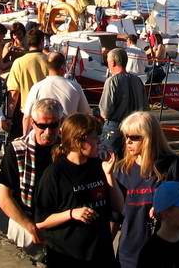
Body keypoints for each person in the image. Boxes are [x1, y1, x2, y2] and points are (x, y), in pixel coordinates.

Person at [33, 112, 123, 268]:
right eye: (94, 137)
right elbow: (40, 222)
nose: (99, 141)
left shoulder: (98, 165)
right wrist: (71, 213)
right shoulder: (55, 173)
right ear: (78, 141)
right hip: (69, 258)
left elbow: (119, 207)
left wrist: (109, 174)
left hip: (101, 256)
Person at [114, 111, 179, 268]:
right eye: (126, 136)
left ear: (149, 138)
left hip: (167, 252)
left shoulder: (174, 165)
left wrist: (168, 205)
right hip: (129, 254)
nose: (128, 142)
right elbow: (114, 216)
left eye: (134, 137)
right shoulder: (122, 170)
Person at [0, 97, 64, 259]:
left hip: (60, 225)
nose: (48, 132)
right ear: (32, 123)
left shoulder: (68, 149)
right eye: (42, 126)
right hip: (24, 223)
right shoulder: (17, 148)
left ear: (61, 122)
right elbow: (3, 198)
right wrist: (29, 226)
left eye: (53, 125)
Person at [99, 47, 147, 156]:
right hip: (136, 129)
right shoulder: (138, 80)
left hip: (116, 129)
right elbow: (145, 109)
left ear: (113, 62)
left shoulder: (112, 81)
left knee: (110, 162)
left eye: (108, 61)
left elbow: (105, 112)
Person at [7, 27, 50, 136]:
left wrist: (9, 117)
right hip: (47, 110)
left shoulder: (19, 62)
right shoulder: (49, 61)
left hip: (27, 112)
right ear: (42, 42)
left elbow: (14, 93)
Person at [24, 52, 91, 119]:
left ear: (47, 66)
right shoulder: (75, 87)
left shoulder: (36, 87)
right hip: (66, 128)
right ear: (63, 67)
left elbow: (27, 117)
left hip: (42, 128)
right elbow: (85, 113)